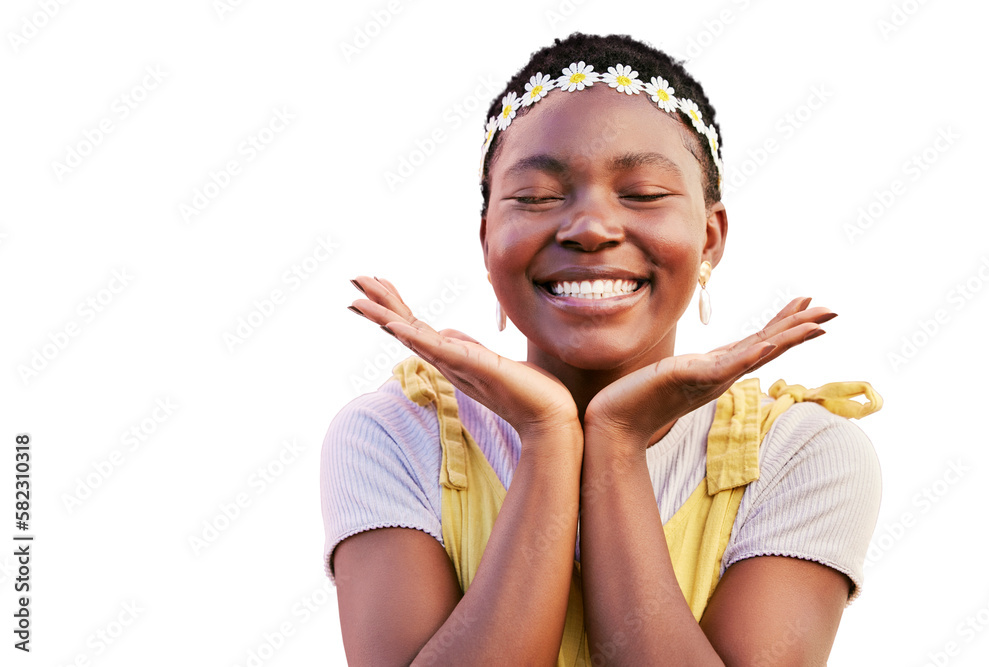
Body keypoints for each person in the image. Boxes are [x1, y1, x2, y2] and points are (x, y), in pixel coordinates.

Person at [322, 32, 882, 665]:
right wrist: (547, 436)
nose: (589, 228)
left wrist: (614, 442)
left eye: (642, 193)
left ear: (710, 236)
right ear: (486, 241)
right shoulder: (396, 436)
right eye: (535, 197)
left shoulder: (800, 453)